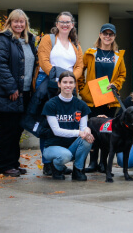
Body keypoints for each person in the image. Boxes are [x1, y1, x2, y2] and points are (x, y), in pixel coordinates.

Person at [0, 9, 37, 177]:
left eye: (22, 22)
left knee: (17, 130)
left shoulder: (29, 40)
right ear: (10, 22)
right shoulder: (4, 39)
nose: (19, 24)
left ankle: (13, 163)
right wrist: (11, 87)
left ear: (25, 23)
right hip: (10, 93)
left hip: (26, 93)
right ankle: (4, 165)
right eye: (15, 21)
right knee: (8, 130)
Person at [36, 11, 84, 176]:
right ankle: (47, 163)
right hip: (49, 85)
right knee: (48, 125)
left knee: (67, 123)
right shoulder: (48, 39)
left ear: (72, 25)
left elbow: (79, 66)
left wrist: (69, 81)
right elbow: (43, 60)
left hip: (68, 87)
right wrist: (58, 80)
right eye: (62, 22)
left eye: (68, 22)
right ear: (57, 24)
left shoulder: (76, 45)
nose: (65, 25)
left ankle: (59, 162)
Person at [78, 23, 126, 173]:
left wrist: (115, 85)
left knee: (106, 132)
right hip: (91, 100)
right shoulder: (91, 53)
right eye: (105, 33)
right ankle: (92, 162)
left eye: (110, 34)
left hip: (109, 100)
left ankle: (103, 163)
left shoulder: (118, 56)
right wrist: (82, 90)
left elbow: (122, 75)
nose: (107, 36)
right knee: (92, 131)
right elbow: (80, 71)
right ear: (100, 35)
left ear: (114, 37)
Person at [42, 71, 93, 181]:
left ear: (75, 85)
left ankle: (78, 170)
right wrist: (79, 133)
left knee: (87, 140)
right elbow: (56, 131)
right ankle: (56, 167)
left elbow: (83, 127)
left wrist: (87, 131)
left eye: (71, 82)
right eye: (65, 82)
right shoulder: (51, 104)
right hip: (52, 146)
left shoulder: (81, 105)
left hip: (72, 145)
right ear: (59, 84)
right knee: (66, 155)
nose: (68, 85)